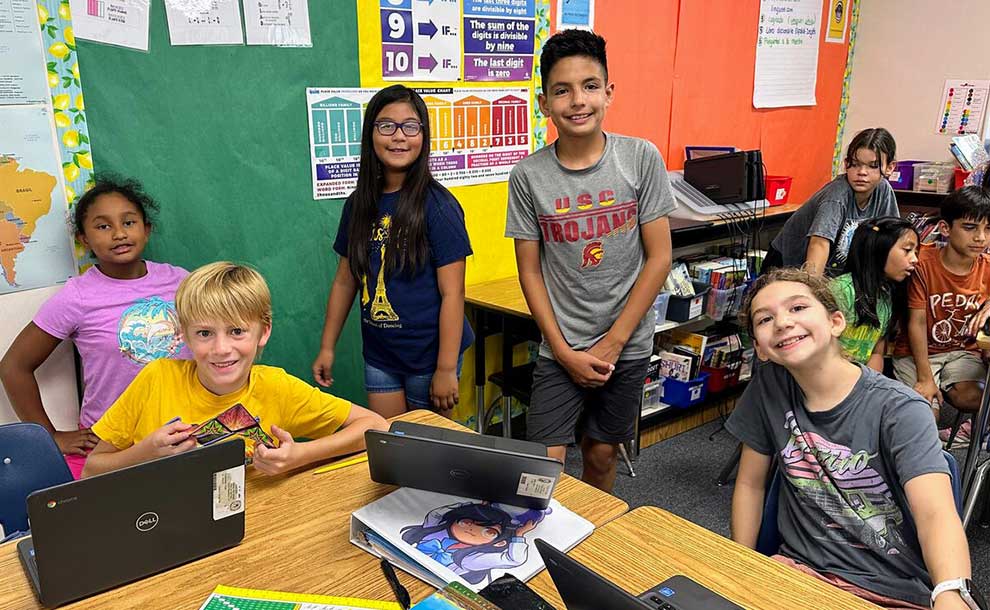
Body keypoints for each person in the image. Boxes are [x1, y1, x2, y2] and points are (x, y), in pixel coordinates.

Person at [728, 268, 973, 610]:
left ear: (836, 322)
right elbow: (750, 484)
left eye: (798, 308)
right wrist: (740, 564)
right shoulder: (769, 386)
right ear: (760, 348)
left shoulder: (900, 409)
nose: (782, 322)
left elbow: (936, 514)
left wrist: (950, 592)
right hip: (798, 575)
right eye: (765, 319)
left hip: (890, 590)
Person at [504, 29, 673, 492]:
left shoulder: (640, 158)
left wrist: (614, 343)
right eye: (562, 90)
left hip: (627, 344)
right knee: (543, 466)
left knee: (600, 454)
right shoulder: (528, 176)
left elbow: (659, 258)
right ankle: (540, 535)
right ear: (544, 103)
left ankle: (591, 531)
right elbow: (529, 270)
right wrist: (562, 351)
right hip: (562, 347)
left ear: (608, 93)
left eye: (590, 86)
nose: (578, 100)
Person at [82, 262, 386, 477]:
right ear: (184, 335)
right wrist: (146, 452)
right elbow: (91, 470)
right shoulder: (157, 378)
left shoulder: (276, 387)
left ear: (263, 332)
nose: (221, 348)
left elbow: (376, 427)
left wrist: (300, 455)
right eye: (204, 333)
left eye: (237, 331)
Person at [0, 177, 189, 478]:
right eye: (103, 226)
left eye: (129, 222)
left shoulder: (181, 282)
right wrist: (51, 436)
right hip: (111, 443)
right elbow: (13, 367)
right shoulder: (77, 297)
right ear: (84, 239)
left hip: (182, 432)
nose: (119, 233)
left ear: (146, 229)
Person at [312, 84, 474, 420]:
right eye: (386, 125)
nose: (399, 136)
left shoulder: (439, 206)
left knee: (425, 446)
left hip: (429, 357)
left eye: (410, 126)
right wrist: (327, 346)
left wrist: (446, 368)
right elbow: (345, 280)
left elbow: (453, 293)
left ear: (423, 135)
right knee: (389, 439)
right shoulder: (358, 204)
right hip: (380, 355)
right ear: (370, 134)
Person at [892, 185, 990, 442]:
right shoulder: (923, 263)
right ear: (945, 228)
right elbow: (916, 323)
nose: (980, 237)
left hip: (962, 352)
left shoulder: (987, 266)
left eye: (988, 229)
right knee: (924, 417)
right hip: (918, 353)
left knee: (979, 397)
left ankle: (964, 437)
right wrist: (926, 378)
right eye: (970, 227)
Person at [766, 128, 898, 275]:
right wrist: (811, 287)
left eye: (873, 166)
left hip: (835, 273)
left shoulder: (883, 190)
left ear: (890, 167)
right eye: (855, 164)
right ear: (846, 164)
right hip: (786, 268)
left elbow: (890, 238)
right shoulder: (836, 196)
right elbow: (819, 244)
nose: (862, 172)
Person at [829, 216, 918, 370]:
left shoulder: (887, 295)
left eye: (916, 252)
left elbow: (876, 352)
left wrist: (871, 382)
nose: (915, 259)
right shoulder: (841, 290)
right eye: (907, 250)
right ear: (879, 248)